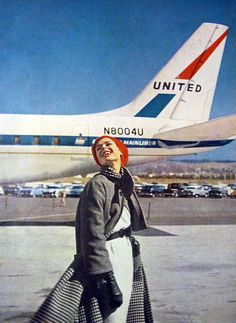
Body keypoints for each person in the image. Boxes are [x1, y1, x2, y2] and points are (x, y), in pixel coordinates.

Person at [30, 135, 153, 323]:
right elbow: (92, 233)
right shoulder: (98, 183)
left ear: (120, 151)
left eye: (108, 144)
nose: (102, 148)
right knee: (113, 315)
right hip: (109, 253)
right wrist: (104, 276)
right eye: (98, 149)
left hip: (125, 251)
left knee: (125, 310)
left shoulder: (123, 182)